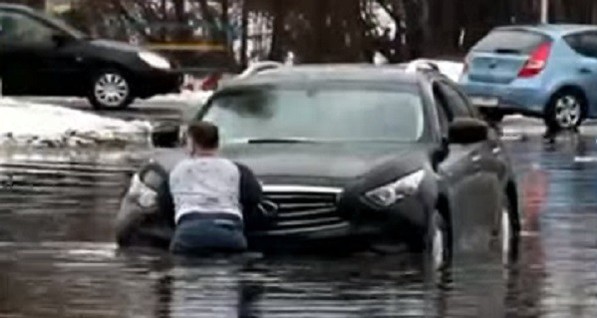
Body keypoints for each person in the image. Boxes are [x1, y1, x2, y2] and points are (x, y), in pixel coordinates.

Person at [168, 121, 263, 255]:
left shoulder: (178, 170)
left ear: (191, 144)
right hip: (229, 233)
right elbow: (254, 197)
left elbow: (166, 202)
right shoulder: (237, 169)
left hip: (189, 234)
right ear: (218, 143)